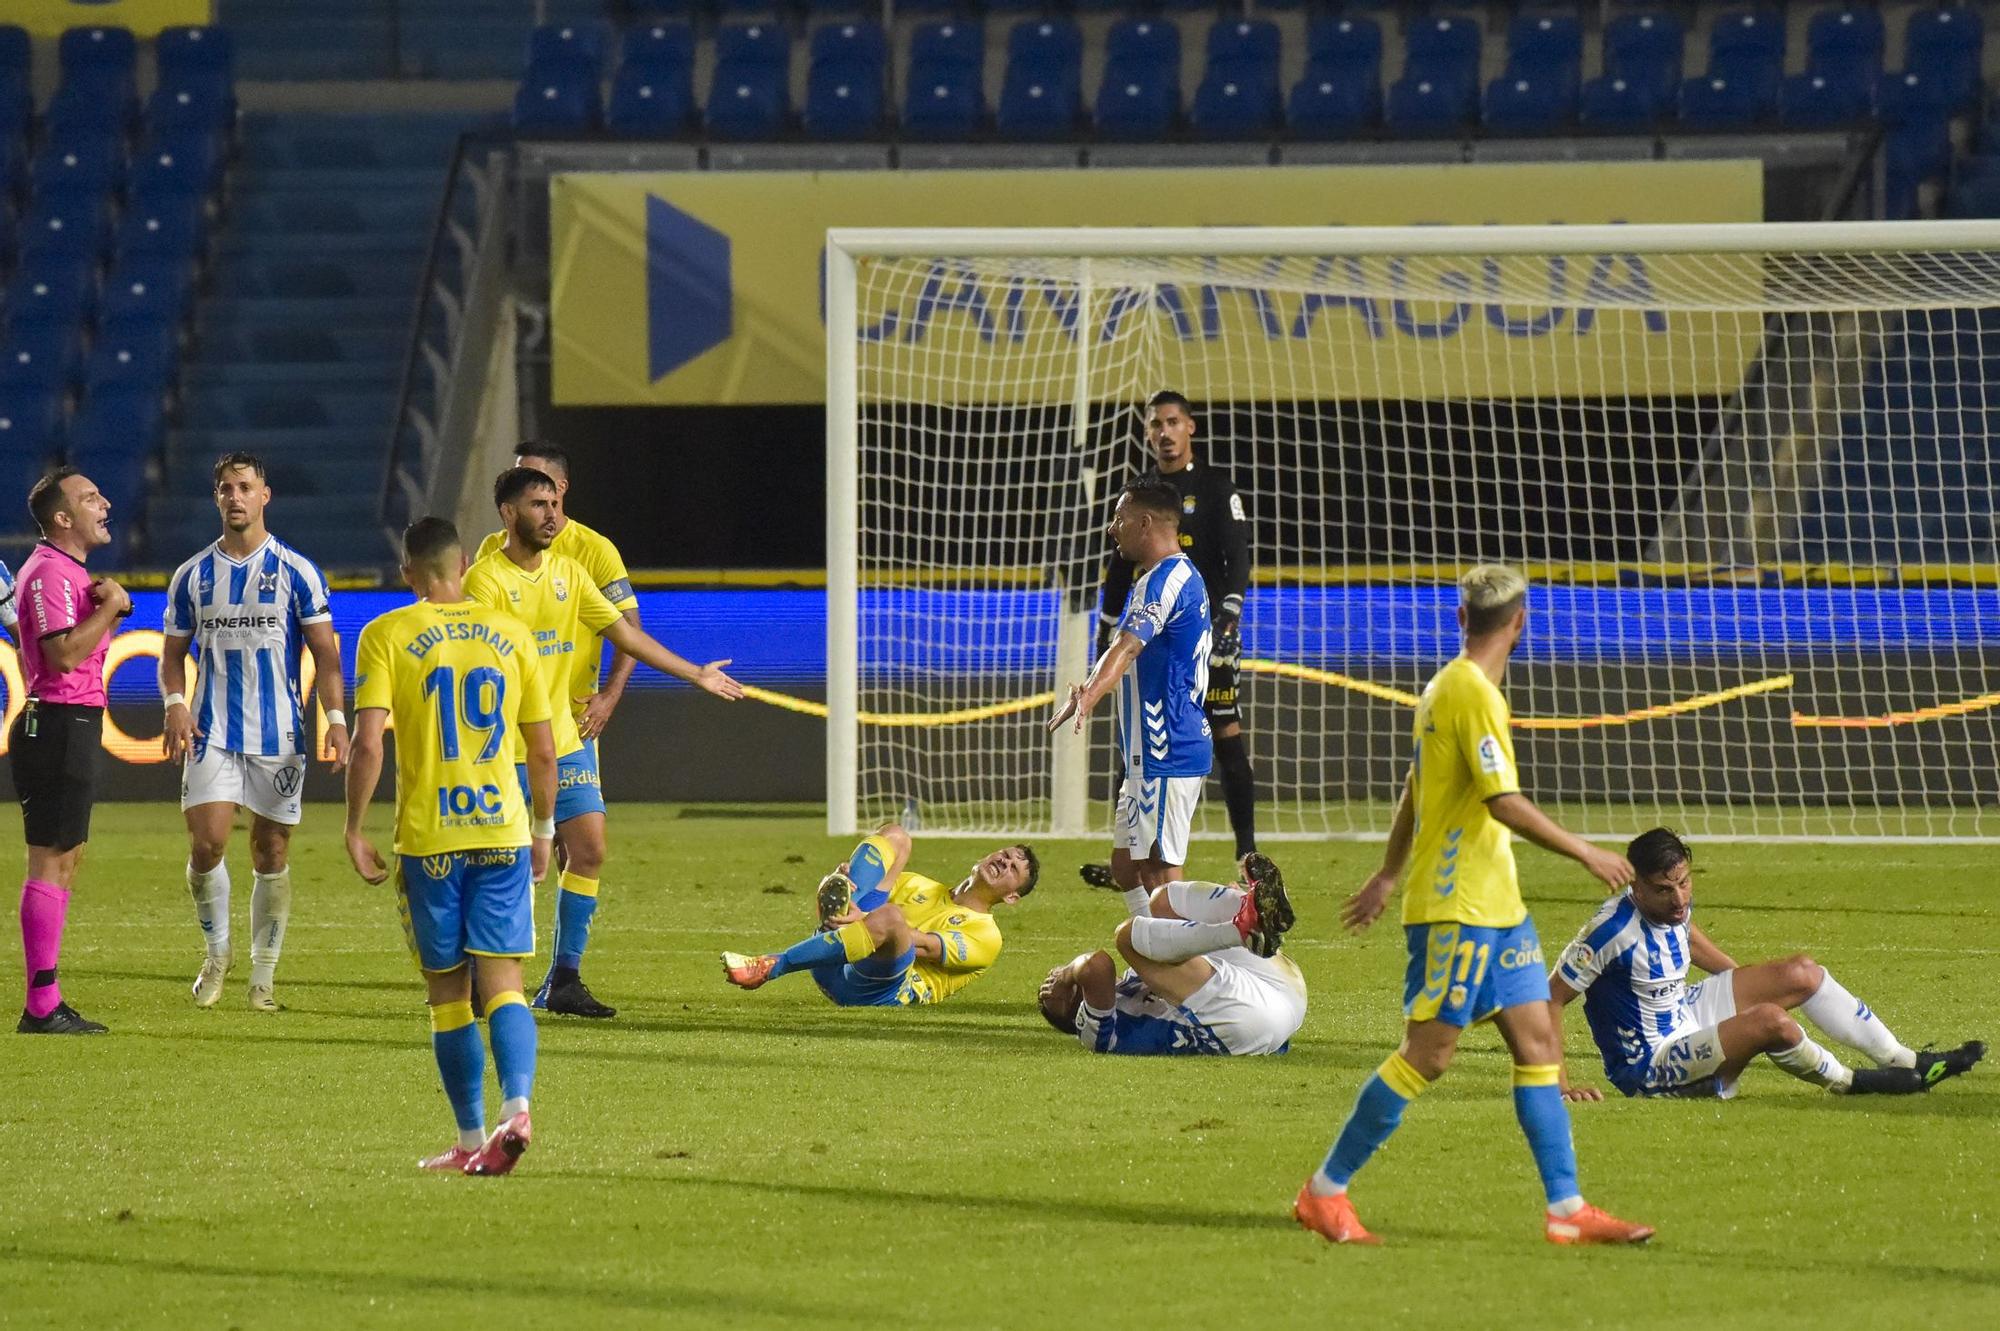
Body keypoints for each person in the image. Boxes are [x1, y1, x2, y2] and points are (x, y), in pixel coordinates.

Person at [1295, 564, 1654, 1248]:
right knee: (1428, 1054)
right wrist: (1586, 851)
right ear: (1520, 622)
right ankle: (1324, 1191)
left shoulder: (1444, 688)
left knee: (1539, 1042)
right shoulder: (1473, 696)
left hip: (1499, 907)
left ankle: (1567, 1208)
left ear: (1462, 619)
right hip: (1457, 907)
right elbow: (1501, 801)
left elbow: (1415, 785)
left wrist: (1386, 870)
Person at [465, 466, 742, 1017]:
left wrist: (695, 674)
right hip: (506, 749)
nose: (551, 514)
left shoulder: (571, 571)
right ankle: (482, 975)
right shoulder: (486, 580)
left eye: (553, 502)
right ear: (507, 513)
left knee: (589, 849)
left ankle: (564, 978)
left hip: (563, 741)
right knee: (505, 865)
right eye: (538, 505)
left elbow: (626, 634)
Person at [343, 516, 556, 1175]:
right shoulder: (511, 634)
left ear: (409, 572)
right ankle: (515, 1104)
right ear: (463, 562)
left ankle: (469, 1138)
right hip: (501, 830)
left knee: (448, 994)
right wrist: (544, 830)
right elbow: (544, 749)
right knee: (506, 983)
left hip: (430, 838)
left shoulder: (386, 634)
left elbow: (368, 741)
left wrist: (353, 826)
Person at [1551, 826, 1984, 1100]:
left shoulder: (1673, 905)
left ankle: (1905, 1061)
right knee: (1769, 1022)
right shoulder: (1609, 933)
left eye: (1684, 883)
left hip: (1684, 1012)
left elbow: (1686, 936)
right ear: (1636, 887)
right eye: (1665, 890)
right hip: (1650, 1063)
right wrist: (1560, 1088)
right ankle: (1851, 1083)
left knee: (1800, 973)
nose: (1679, 898)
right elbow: (1548, 999)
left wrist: (1742, 981)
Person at [160, 452, 350, 1012]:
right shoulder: (192, 574)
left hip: (280, 735)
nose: (235, 497)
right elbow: (171, 657)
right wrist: (175, 703)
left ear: (265, 495)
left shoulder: (297, 570)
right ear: (216, 499)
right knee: (208, 843)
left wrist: (336, 721)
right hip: (211, 731)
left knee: (270, 851)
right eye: (225, 488)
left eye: (245, 487)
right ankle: (217, 954)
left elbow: (327, 658)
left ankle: (263, 977)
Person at [1092, 390, 1258, 863]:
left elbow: (1237, 556)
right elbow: (1118, 566)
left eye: (1172, 422)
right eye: (1155, 425)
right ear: (1146, 433)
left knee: (1226, 732)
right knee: (1140, 729)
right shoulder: (1141, 493)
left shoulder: (1214, 489)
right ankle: (1129, 850)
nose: (1163, 432)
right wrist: (1107, 624)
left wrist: (1229, 614)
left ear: (1190, 428)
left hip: (1204, 631)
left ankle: (1247, 853)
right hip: (1152, 632)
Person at [1049, 478, 1211, 917]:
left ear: (1144, 523)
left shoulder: (1165, 582)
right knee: (1126, 867)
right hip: (1150, 751)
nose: (1111, 528)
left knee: (1160, 877)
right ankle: (1156, 956)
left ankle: (1191, 968)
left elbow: (1125, 647)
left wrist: (1088, 696)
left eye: (1119, 518)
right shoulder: (1164, 577)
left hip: (1167, 748)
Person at [10, 469, 128, 1035]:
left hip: (69, 723)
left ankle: (46, 999)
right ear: (63, 519)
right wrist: (112, 608)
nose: (104, 503)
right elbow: (60, 658)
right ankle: (41, 1006)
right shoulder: (50, 572)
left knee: (66, 857)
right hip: (54, 724)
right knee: (51, 860)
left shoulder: (63, 573)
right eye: (90, 498)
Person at [720, 822, 1036, 1007]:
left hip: (876, 990)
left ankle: (771, 965)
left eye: (1014, 868)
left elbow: (922, 947)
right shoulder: (919, 884)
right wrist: (848, 886)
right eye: (1005, 855)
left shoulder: (987, 936)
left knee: (892, 918)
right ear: (986, 855)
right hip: (836, 955)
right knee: (897, 836)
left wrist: (865, 920)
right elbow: (874, 900)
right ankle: (842, 900)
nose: (1005, 862)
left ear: (1011, 897)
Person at [1038, 854, 1303, 1056]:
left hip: (1281, 994)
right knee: (1127, 935)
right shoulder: (1093, 1032)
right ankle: (1241, 928)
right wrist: (1068, 973)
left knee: (1161, 901)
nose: (1050, 983)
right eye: (1048, 995)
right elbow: (1095, 966)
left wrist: (1215, 909)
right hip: (1246, 1021)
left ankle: (1248, 909)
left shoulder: (1137, 978)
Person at [472, 441, 640, 746]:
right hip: (509, 717)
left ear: (559, 487)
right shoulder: (491, 550)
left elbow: (629, 631)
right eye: (516, 473)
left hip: (572, 719)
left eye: (529, 473)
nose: (519, 481)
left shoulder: (594, 550)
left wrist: (610, 696)